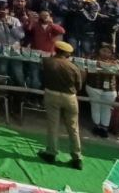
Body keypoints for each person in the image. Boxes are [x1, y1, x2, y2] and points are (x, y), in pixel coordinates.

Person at [38, 41, 83, 170]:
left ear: (56, 49)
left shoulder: (46, 62)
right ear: (68, 53)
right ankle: (77, 158)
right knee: (73, 128)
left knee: (53, 126)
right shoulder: (74, 67)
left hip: (51, 94)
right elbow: (79, 86)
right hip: (70, 97)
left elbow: (42, 77)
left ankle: (51, 153)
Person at [85, 43, 119, 138]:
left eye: (108, 52)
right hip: (93, 87)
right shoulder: (92, 58)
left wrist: (106, 65)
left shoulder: (115, 61)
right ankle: (96, 127)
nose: (106, 53)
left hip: (110, 90)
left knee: (106, 109)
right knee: (95, 106)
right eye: (104, 50)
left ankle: (104, 129)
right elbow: (86, 63)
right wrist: (103, 65)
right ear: (99, 50)